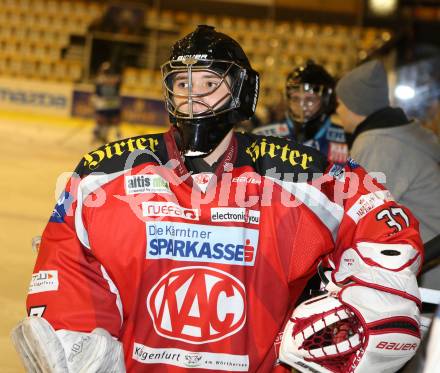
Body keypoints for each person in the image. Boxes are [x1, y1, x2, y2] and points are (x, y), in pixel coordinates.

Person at [12, 26, 423, 373]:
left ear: (242, 91)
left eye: (210, 84)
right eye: (183, 83)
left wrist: (372, 302)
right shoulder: (106, 175)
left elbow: (378, 220)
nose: (194, 97)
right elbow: (69, 263)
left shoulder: (295, 174)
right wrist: (76, 331)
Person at [253, 61, 349, 165]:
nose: (302, 106)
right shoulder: (261, 137)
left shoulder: (347, 140)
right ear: (287, 100)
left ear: (326, 101)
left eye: (310, 99)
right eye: (295, 98)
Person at [92, 61, 122, 143]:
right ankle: (99, 136)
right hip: (105, 103)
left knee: (112, 121)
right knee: (103, 121)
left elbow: (117, 88)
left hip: (110, 103)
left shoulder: (105, 79)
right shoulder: (101, 79)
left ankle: (113, 136)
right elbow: (97, 91)